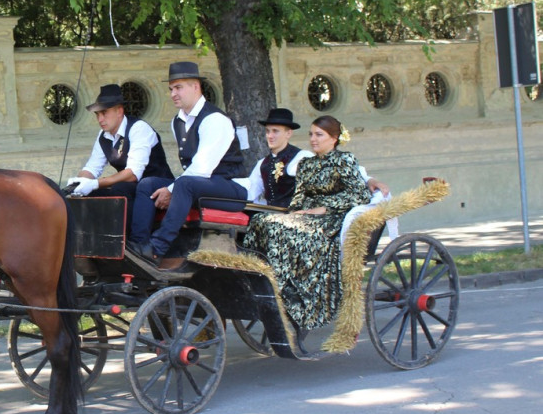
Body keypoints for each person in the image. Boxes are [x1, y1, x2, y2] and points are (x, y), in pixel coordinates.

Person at [242, 115, 373, 329]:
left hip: (331, 219)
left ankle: (288, 291)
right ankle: (263, 278)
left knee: (275, 226)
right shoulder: (307, 164)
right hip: (308, 217)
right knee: (261, 221)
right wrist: (296, 211)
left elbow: (358, 195)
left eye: (319, 135)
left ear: (334, 138)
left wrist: (324, 208)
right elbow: (300, 196)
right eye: (311, 134)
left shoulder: (344, 160)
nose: (313, 139)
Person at [129, 62, 247, 267]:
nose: (173, 93)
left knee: (184, 184)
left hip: (229, 188)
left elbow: (202, 168)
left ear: (195, 86)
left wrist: (171, 190)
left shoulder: (215, 119)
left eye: (178, 87)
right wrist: (168, 188)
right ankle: (139, 246)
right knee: (147, 184)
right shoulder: (177, 122)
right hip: (200, 186)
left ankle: (156, 249)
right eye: (171, 89)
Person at [66, 84, 174, 227]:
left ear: (119, 111)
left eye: (104, 113)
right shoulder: (103, 136)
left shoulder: (138, 128)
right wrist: (78, 183)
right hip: (130, 187)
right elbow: (92, 168)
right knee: (89, 195)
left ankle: (132, 241)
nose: (100, 119)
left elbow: (133, 174)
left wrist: (95, 183)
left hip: (157, 186)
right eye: (97, 114)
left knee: (119, 189)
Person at [238, 107, 387, 207]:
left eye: (275, 131)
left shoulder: (301, 157)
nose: (270, 136)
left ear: (288, 133)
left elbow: (339, 169)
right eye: (268, 131)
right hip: (272, 213)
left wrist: (369, 180)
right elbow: (250, 191)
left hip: (295, 217)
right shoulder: (262, 164)